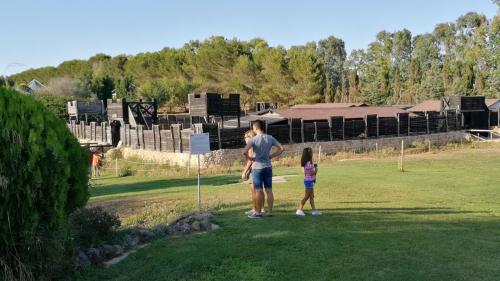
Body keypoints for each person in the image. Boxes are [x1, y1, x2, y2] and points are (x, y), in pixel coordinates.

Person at [243, 120, 284, 219]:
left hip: (257, 167)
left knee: (258, 191)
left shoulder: (253, 139)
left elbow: (244, 151)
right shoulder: (270, 138)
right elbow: (282, 148)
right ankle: (270, 212)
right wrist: (271, 156)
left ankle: (258, 213)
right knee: (269, 190)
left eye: (253, 127)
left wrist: (251, 158)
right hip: (268, 167)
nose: (253, 129)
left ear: (256, 127)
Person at [242, 130, 265, 216]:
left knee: (254, 192)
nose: (245, 139)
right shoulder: (257, 145)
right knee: (259, 190)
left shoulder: (251, 146)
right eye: (244, 137)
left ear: (250, 137)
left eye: (246, 137)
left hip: (254, 170)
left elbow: (250, 161)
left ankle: (256, 209)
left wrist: (244, 172)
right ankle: (260, 208)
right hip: (259, 168)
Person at [296, 147, 321, 216]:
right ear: (309, 154)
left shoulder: (306, 163)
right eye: (311, 153)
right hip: (309, 182)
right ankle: (299, 209)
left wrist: (314, 167)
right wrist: (316, 169)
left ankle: (314, 210)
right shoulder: (308, 164)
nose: (312, 154)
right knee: (307, 196)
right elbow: (310, 173)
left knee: (311, 196)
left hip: (308, 181)